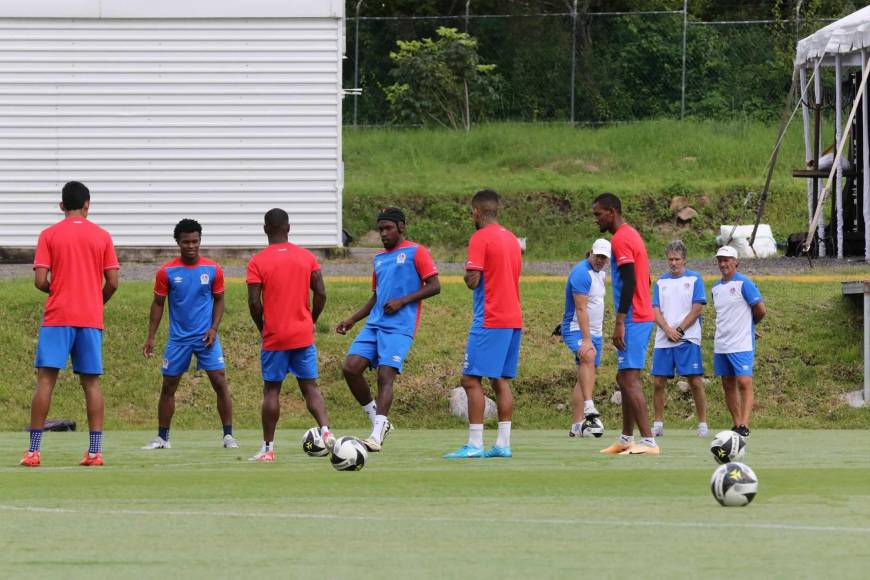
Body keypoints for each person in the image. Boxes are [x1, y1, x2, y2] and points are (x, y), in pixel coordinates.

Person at [21, 181, 119, 467]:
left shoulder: (49, 235)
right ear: (88, 204)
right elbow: (113, 283)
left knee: (45, 381)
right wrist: (93, 300)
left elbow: (40, 280)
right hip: (89, 317)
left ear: (61, 206)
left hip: (58, 316)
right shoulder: (102, 236)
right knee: (91, 383)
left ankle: (33, 452)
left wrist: (61, 291)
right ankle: (94, 452)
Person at [336, 208, 440, 452]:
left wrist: (403, 301)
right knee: (350, 368)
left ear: (401, 227)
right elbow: (377, 296)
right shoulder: (379, 259)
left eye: (388, 228)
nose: (383, 233)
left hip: (400, 327)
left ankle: (376, 435)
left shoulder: (417, 252)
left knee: (385, 375)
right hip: (374, 324)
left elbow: (435, 286)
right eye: (380, 229)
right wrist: (352, 320)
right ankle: (378, 422)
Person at [142, 219, 237, 450]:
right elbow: (158, 304)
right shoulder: (167, 271)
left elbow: (220, 299)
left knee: (219, 381)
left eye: (195, 241)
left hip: (206, 338)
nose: (191, 246)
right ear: (178, 242)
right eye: (186, 242)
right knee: (168, 386)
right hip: (178, 340)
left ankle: (228, 436)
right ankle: (163, 438)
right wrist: (151, 337)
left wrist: (214, 328)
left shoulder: (213, 269)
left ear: (200, 240)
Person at [246, 208, 333, 462]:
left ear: (265, 229)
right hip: (302, 334)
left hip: (275, 336)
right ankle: (326, 431)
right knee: (310, 387)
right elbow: (321, 293)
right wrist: (311, 319)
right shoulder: (307, 257)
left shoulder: (257, 262)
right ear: (288, 227)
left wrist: (262, 326)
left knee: (272, 391)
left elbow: (253, 301)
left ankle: (268, 449)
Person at [444, 189, 522, 459]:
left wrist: (467, 275)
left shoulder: (479, 238)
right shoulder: (511, 238)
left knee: (470, 378)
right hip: (513, 317)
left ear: (476, 212)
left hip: (490, 317)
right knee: (500, 379)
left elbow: (473, 279)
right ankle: (503, 444)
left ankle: (475, 444)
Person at [592, 192, 659, 455]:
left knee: (629, 378)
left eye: (598, 214)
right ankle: (626, 438)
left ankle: (649, 441)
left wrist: (620, 321)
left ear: (611, 212)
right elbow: (646, 277)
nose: (596, 219)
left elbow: (630, 281)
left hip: (635, 318)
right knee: (624, 377)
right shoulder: (630, 235)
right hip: (638, 315)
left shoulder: (620, 240)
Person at [651, 240, 708, 437]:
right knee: (659, 383)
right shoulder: (660, 281)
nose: (673, 263)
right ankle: (658, 424)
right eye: (670, 259)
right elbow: (655, 310)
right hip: (664, 338)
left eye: (677, 259)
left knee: (695, 381)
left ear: (684, 260)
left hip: (688, 338)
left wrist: (680, 330)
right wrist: (667, 330)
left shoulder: (695, 279)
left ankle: (702, 424)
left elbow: (697, 308)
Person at [711, 245, 765, 438]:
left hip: (741, 343)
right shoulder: (716, 288)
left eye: (727, 260)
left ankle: (745, 424)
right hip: (722, 343)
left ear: (736, 262)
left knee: (744, 381)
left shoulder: (744, 283)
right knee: (727, 382)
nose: (723, 264)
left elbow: (760, 310)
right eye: (720, 260)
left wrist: (750, 327)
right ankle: (736, 425)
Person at [562, 238, 611, 438]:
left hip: (595, 331)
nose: (600, 260)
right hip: (575, 328)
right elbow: (581, 309)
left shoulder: (601, 274)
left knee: (586, 376)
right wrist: (587, 339)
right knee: (588, 357)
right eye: (598, 256)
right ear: (590, 252)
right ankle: (590, 408)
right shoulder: (581, 273)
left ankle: (576, 425)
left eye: (604, 257)